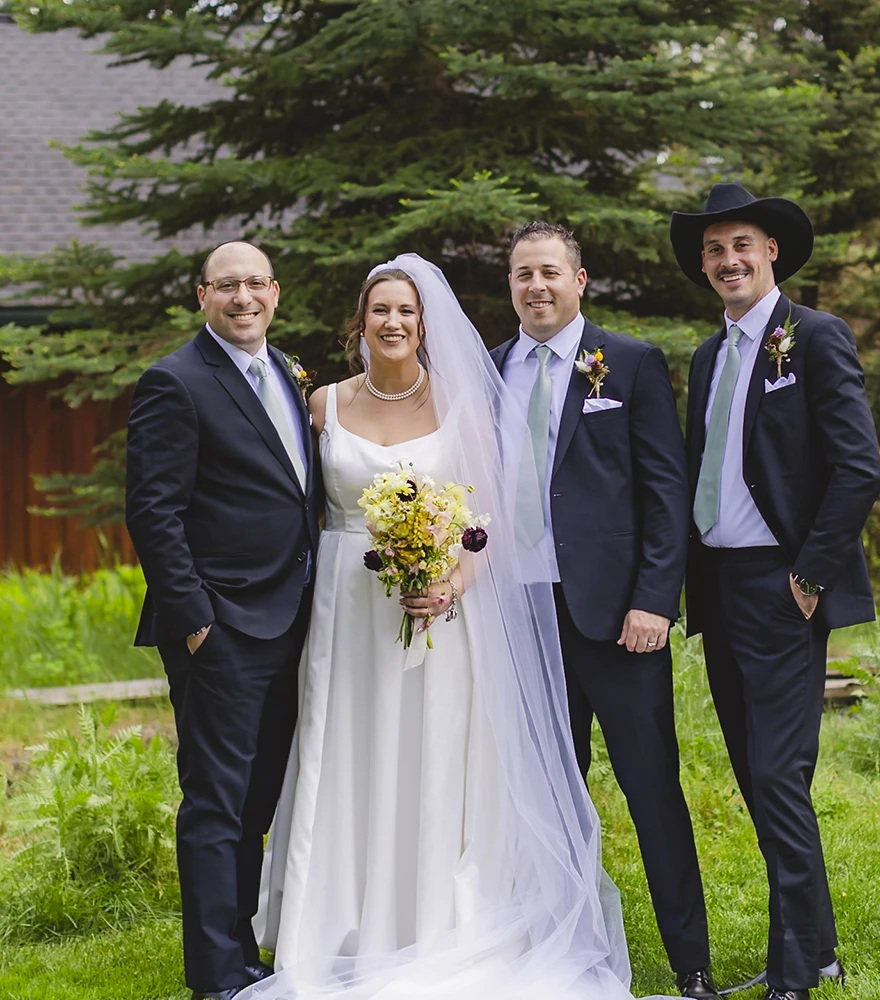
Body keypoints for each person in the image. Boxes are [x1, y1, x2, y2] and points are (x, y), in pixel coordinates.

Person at [245, 254, 676, 1000]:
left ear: (425, 323)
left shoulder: (464, 404)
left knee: (438, 755)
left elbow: (487, 521)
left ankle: (440, 923)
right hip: (346, 618)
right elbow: (299, 512)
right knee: (347, 748)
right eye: (380, 310)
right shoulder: (322, 407)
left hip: (446, 612)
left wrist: (448, 583)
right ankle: (335, 926)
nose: (393, 322)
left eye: (406, 311)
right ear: (361, 321)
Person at [491, 222, 718, 1000]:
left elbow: (666, 493)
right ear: (510, 285)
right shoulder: (490, 372)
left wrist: (655, 600)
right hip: (520, 619)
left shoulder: (628, 364)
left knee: (651, 791)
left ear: (579, 280)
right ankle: (559, 951)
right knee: (545, 799)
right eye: (523, 275)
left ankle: (691, 962)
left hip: (620, 623)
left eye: (550, 272)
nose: (536, 287)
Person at [671, 182, 880, 1000]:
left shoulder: (815, 338)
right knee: (757, 775)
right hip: (721, 589)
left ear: (772, 256)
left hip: (780, 585)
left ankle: (794, 972)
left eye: (743, 247)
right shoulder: (708, 355)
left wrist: (808, 577)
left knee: (778, 776)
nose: (729, 261)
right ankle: (818, 946)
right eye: (716, 250)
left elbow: (859, 466)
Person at [126, 241, 320, 1000]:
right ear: (202, 296)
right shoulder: (175, 381)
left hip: (292, 621)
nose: (243, 298)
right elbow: (153, 510)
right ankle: (215, 976)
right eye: (226, 286)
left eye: (255, 285)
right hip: (222, 629)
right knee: (215, 802)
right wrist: (195, 620)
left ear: (275, 291)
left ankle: (242, 953)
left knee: (257, 801)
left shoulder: (286, 370)